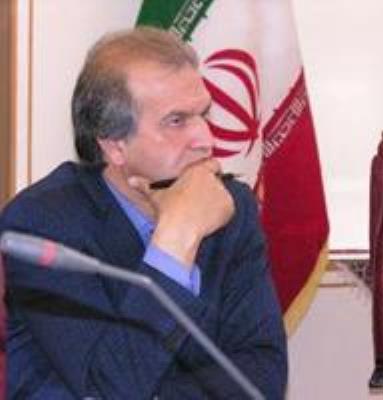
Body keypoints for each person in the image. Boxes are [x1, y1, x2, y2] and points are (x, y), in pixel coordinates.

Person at [0, 26, 287, 399]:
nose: (206, 139)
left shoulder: (230, 207)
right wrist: (177, 237)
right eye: (176, 121)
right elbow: (109, 386)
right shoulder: (43, 223)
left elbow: (263, 373)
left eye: (204, 114)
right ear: (114, 146)